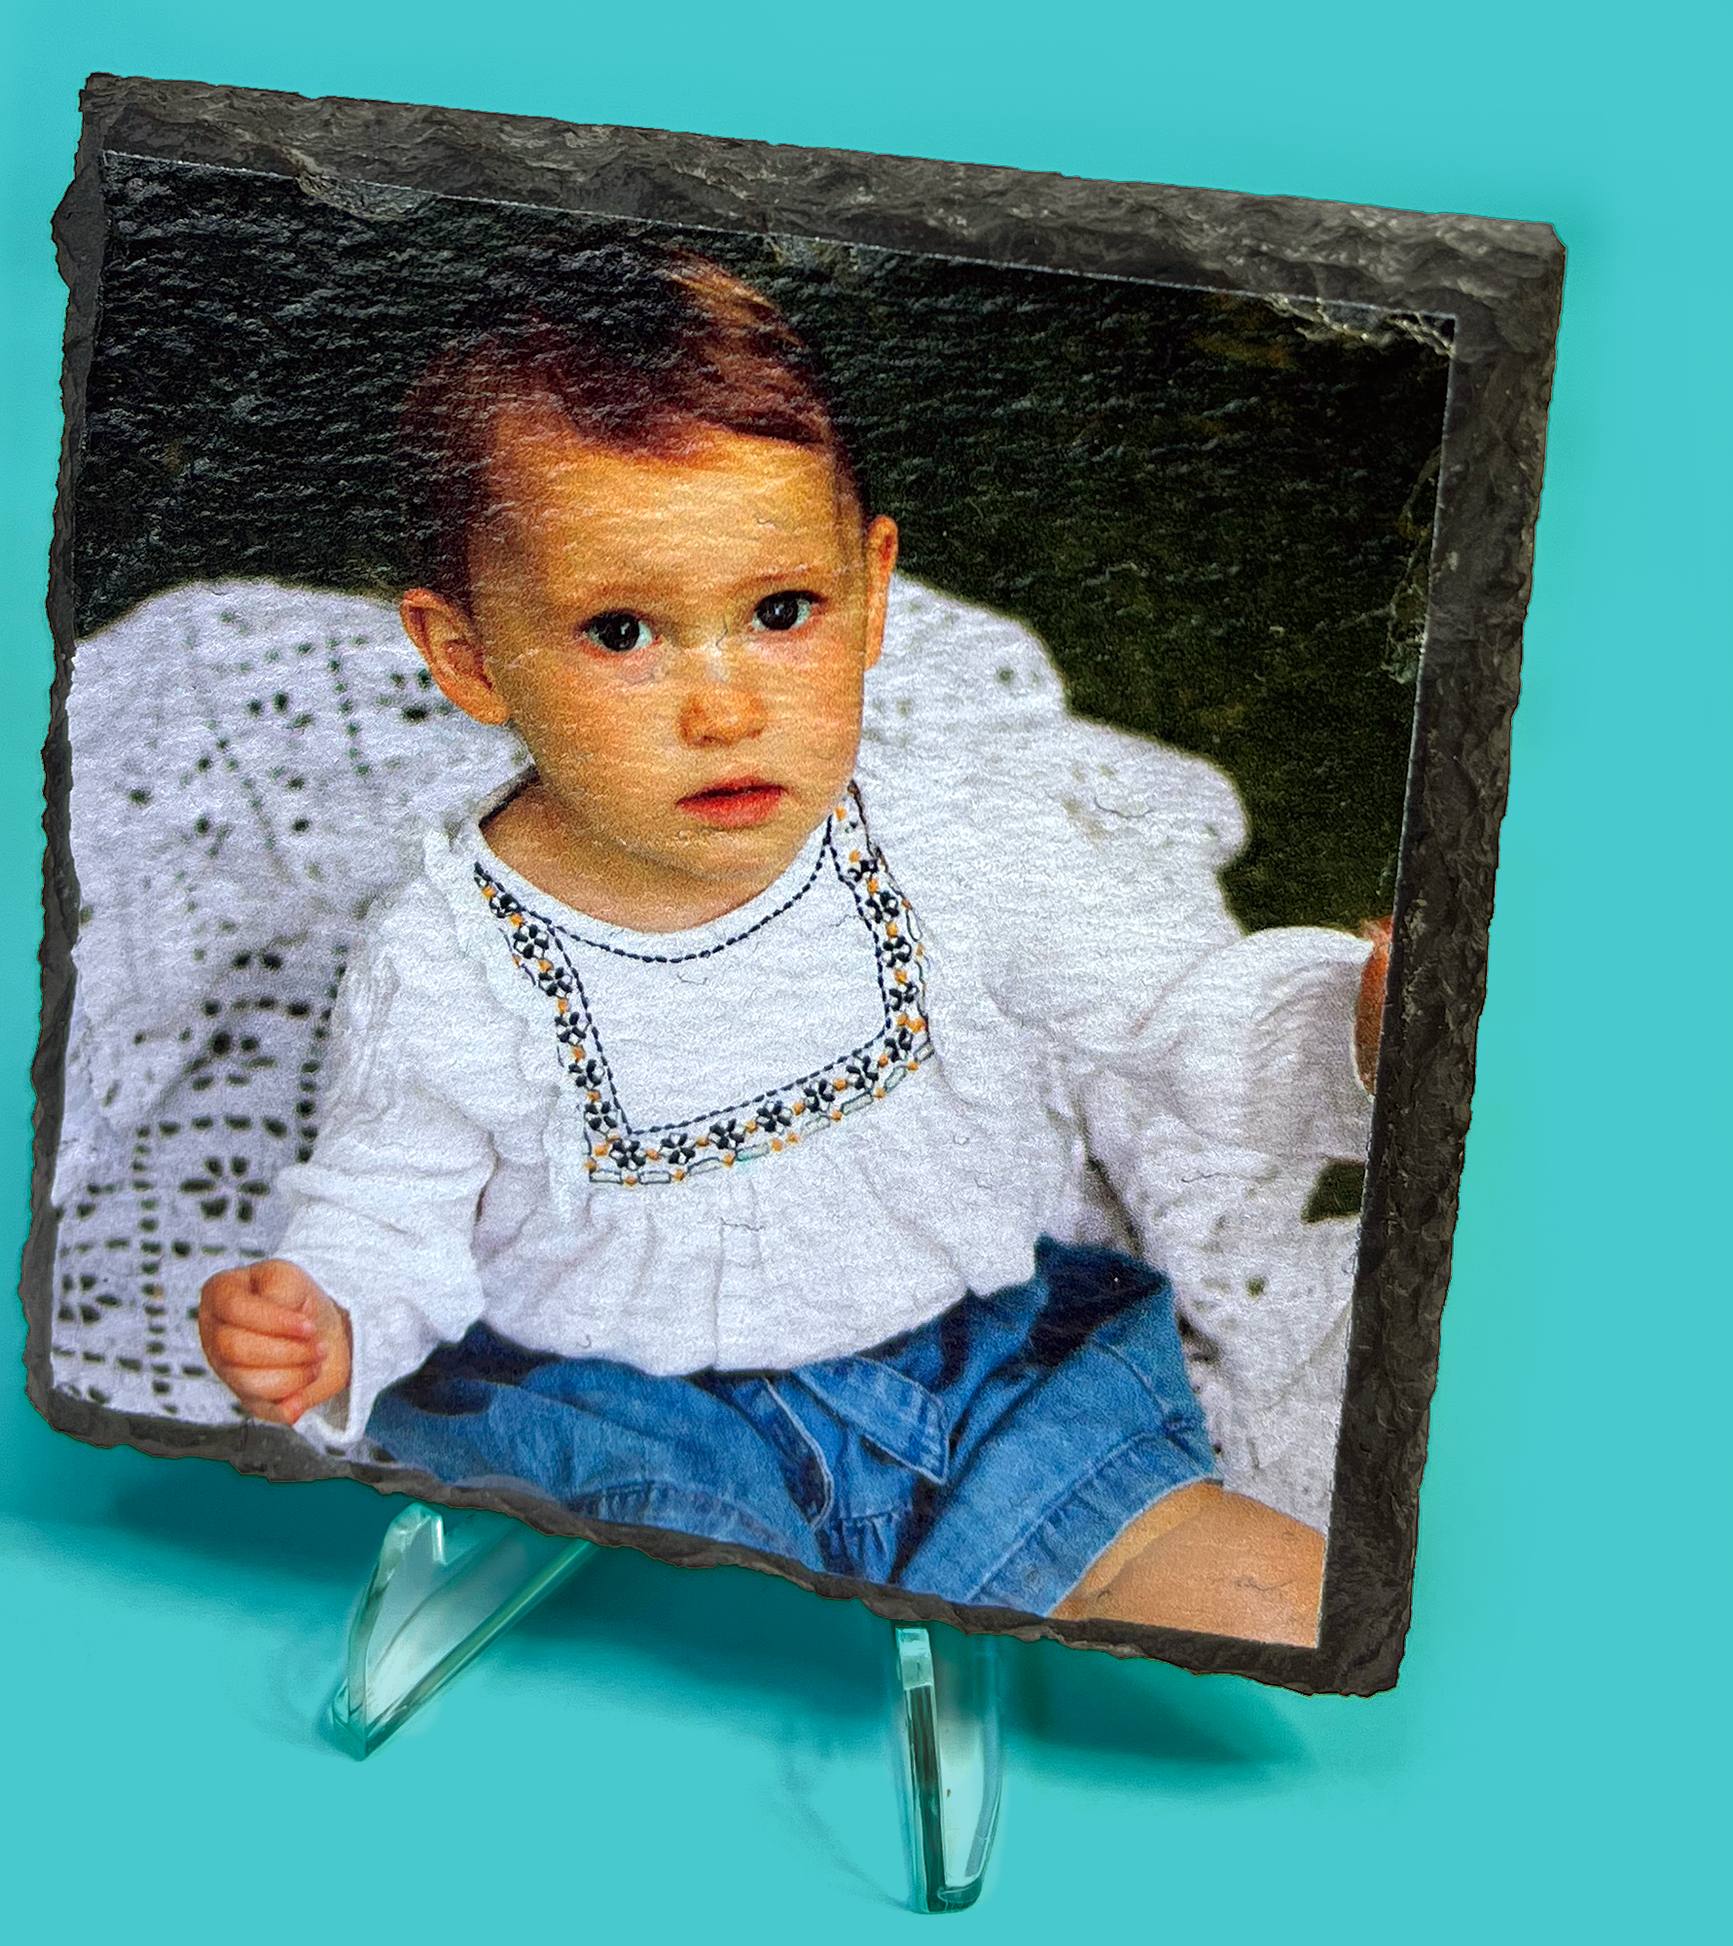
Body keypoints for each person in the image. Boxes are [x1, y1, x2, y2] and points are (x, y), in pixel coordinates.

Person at [197, 237, 1385, 1643]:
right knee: (716, 1644)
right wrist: (325, 1317)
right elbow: (392, 1201)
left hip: (989, 1376)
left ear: (869, 586)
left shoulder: (954, 834)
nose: (723, 708)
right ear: (468, 658)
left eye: (778, 612)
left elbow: (1178, 1014)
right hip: (622, 1416)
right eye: (623, 630)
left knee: (1291, 1600)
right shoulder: (449, 957)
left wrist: (1356, 1023)